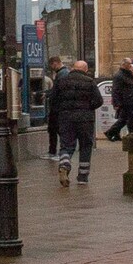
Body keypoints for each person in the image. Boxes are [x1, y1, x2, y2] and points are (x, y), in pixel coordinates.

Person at [48, 59, 103, 187]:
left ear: (73, 68)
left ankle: (64, 164)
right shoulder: (90, 82)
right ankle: (83, 177)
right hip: (85, 119)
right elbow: (99, 100)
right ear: (85, 69)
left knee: (66, 145)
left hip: (66, 118)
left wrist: (61, 111)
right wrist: (89, 107)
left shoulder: (62, 81)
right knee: (85, 146)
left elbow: (53, 100)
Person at [107, 60, 133, 143]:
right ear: (125, 64)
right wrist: (116, 102)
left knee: (124, 119)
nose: (131, 66)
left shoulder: (128, 74)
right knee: (131, 119)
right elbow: (115, 90)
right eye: (129, 64)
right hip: (126, 101)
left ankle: (110, 132)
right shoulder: (119, 75)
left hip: (132, 100)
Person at [45, 54, 63, 163]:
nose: (51, 68)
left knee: (56, 130)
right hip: (58, 107)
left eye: (52, 65)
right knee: (53, 130)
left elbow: (57, 91)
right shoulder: (61, 73)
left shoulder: (61, 74)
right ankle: (54, 151)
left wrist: (50, 95)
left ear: (55, 63)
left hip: (57, 108)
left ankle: (59, 152)